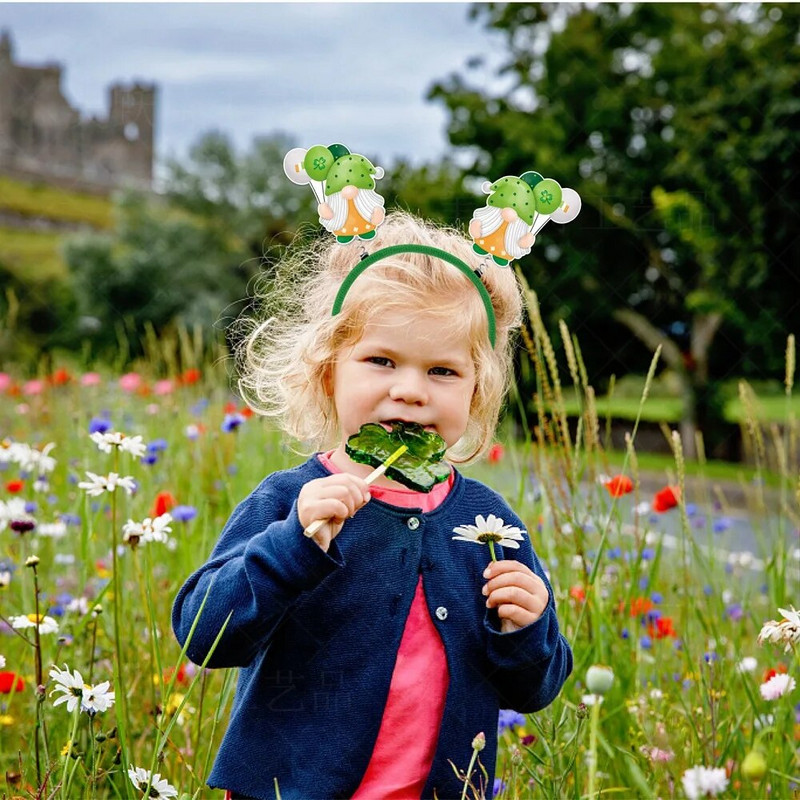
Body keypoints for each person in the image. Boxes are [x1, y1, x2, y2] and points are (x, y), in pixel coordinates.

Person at [172, 211, 573, 800]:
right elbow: (204, 636)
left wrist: (528, 627)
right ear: (327, 371)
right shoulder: (290, 504)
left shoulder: (489, 525)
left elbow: (532, 691)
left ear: (476, 391)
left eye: (442, 370)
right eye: (382, 361)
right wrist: (291, 547)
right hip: (290, 789)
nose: (410, 389)